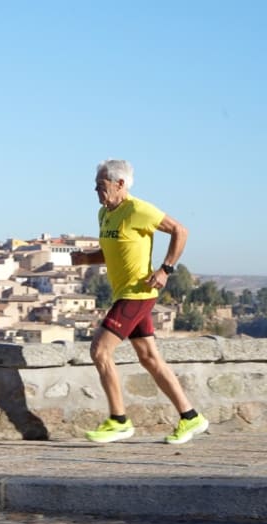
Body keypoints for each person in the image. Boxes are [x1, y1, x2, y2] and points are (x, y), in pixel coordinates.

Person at [71, 159, 208, 444]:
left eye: (101, 186)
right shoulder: (104, 214)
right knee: (149, 358)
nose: (97, 192)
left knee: (99, 350)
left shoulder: (139, 210)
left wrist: (166, 269)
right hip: (125, 294)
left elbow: (180, 231)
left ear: (119, 184)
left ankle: (119, 420)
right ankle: (191, 416)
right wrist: (86, 258)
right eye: (96, 186)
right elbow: (113, 250)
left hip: (138, 294)